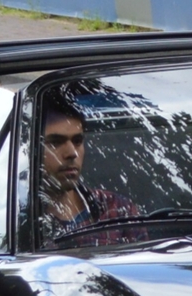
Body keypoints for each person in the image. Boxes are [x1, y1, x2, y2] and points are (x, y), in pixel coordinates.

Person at [34, 95, 142, 245]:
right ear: (30, 149)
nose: (72, 153)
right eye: (55, 143)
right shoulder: (18, 218)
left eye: (77, 141)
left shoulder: (118, 211)